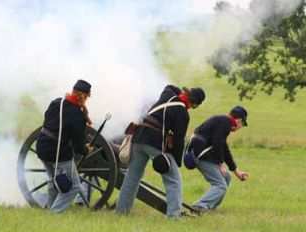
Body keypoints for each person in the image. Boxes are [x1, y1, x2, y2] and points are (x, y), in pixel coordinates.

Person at [116, 85, 206, 218]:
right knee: (174, 180)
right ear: (194, 103)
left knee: (131, 178)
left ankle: (121, 212)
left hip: (138, 137)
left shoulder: (168, 94)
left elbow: (169, 86)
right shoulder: (182, 113)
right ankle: (174, 216)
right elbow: (178, 140)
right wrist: (176, 162)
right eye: (194, 106)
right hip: (154, 142)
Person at [36, 79, 94, 212]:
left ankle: (50, 209)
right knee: (74, 186)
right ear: (84, 96)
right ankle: (54, 213)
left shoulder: (56, 102)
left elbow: (48, 120)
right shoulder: (78, 116)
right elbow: (79, 145)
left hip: (42, 147)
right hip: (58, 153)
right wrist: (87, 150)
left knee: (53, 181)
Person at [186, 106, 249, 213]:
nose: (240, 128)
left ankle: (210, 207)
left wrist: (237, 172)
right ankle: (200, 206)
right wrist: (220, 164)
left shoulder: (223, 122)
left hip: (201, 153)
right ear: (239, 121)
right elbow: (217, 143)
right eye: (243, 124)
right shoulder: (225, 122)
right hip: (200, 155)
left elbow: (224, 149)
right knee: (221, 185)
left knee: (226, 177)